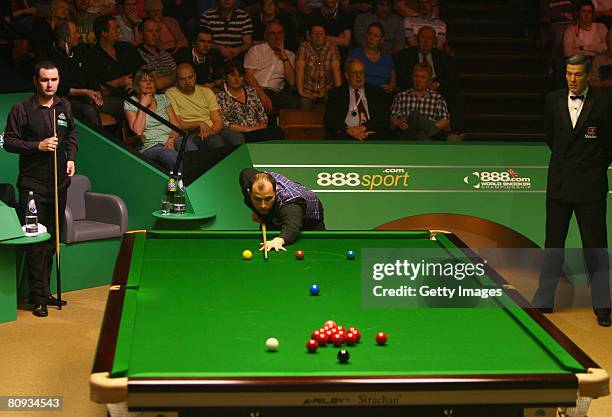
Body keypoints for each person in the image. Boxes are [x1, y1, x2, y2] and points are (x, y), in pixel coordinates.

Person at [532, 55, 612, 327]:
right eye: (568, 74)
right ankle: (544, 299)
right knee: (553, 245)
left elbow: (609, 147)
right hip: (559, 185)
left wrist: (590, 169)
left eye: (578, 74)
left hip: (591, 187)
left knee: (595, 248)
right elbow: (551, 138)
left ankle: (602, 305)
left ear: (588, 75)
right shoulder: (553, 100)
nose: (572, 79)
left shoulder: (604, 102)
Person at [3, 60, 78, 317]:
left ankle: (44, 291)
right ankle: (37, 298)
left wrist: (70, 157)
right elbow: (9, 142)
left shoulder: (64, 105)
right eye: (45, 80)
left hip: (59, 184)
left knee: (50, 242)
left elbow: (72, 135)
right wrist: (38, 146)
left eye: (54, 80)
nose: (50, 84)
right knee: (36, 241)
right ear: (36, 80)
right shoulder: (21, 108)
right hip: (32, 186)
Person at [124, 66, 196, 169]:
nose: (149, 83)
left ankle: (198, 180)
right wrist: (143, 105)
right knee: (170, 155)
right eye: (144, 81)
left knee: (188, 145)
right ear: (137, 84)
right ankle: (181, 183)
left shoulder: (162, 98)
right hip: (150, 146)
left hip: (170, 139)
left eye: (151, 80)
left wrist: (171, 140)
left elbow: (176, 125)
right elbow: (138, 131)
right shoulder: (130, 102)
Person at [394, 25, 463, 132]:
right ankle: (433, 130)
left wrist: (437, 84)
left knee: (456, 96)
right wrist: (421, 84)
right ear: (417, 39)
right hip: (413, 88)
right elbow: (402, 78)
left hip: (438, 89)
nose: (426, 41)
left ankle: (455, 132)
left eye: (429, 38)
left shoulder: (443, 57)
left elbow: (452, 78)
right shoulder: (405, 55)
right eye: (423, 38)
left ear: (434, 41)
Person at [239, 168, 325, 252]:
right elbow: (245, 172)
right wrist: (257, 211)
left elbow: (292, 227)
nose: (263, 205)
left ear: (276, 191)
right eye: (257, 199)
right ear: (249, 192)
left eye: (268, 198)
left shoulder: (290, 205)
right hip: (276, 212)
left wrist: (280, 239)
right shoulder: (248, 180)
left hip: (309, 221)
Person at [166, 62, 245, 148]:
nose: (187, 82)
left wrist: (211, 131)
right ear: (177, 79)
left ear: (195, 76)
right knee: (216, 142)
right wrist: (198, 124)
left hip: (212, 129)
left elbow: (218, 121)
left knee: (237, 137)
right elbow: (178, 123)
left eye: (190, 77)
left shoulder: (207, 92)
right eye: (182, 79)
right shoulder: (170, 94)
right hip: (193, 134)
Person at [85, 14, 145, 121]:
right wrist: (119, 82)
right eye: (115, 28)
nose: (119, 30)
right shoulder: (92, 56)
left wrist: (137, 83)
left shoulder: (125, 48)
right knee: (136, 106)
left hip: (138, 92)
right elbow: (94, 89)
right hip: (113, 99)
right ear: (104, 33)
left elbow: (145, 68)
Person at [45, 20, 104, 127]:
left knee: (120, 104)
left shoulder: (80, 51)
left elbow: (90, 75)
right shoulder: (49, 57)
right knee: (89, 110)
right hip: (65, 100)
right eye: (76, 33)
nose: (79, 36)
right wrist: (84, 92)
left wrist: (97, 91)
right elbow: (57, 87)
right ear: (66, 38)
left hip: (88, 96)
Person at [390, 62, 462, 141]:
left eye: (423, 77)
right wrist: (398, 123)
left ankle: (429, 132)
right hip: (407, 134)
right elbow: (393, 118)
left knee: (422, 135)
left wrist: (426, 128)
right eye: (416, 76)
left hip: (427, 137)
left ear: (429, 81)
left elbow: (445, 121)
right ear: (412, 77)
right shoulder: (401, 96)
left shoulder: (437, 98)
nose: (418, 80)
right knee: (414, 115)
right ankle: (443, 136)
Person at [216, 60, 285, 142]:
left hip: (257, 130)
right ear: (225, 77)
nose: (237, 79)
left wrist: (261, 125)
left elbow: (262, 116)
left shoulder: (251, 91)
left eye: (240, 76)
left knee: (277, 131)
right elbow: (224, 123)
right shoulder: (220, 97)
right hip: (239, 133)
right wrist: (248, 129)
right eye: (232, 75)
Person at [324, 58, 390, 140]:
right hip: (345, 135)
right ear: (347, 75)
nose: (358, 76)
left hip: (370, 134)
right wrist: (351, 132)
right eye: (355, 73)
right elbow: (331, 118)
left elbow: (383, 117)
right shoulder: (336, 93)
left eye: (361, 73)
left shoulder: (377, 92)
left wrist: (363, 128)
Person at [244, 21, 298, 113]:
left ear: (284, 35)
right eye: (272, 33)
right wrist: (261, 94)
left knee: (292, 102)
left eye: (279, 33)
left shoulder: (290, 55)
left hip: (274, 93)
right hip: (254, 90)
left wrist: (284, 56)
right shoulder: (256, 50)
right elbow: (248, 76)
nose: (276, 37)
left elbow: (292, 81)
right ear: (266, 36)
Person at [295, 22, 342, 109]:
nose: (318, 36)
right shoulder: (304, 46)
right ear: (309, 36)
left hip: (327, 92)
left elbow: (336, 71)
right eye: (314, 33)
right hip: (308, 91)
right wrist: (302, 92)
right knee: (304, 105)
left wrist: (337, 94)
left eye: (321, 33)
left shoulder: (332, 47)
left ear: (325, 36)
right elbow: (299, 70)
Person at [348, 22, 397, 93]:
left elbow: (393, 82)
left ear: (382, 40)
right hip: (359, 92)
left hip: (382, 94)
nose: (371, 38)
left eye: (376, 36)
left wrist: (389, 87)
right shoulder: (355, 54)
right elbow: (347, 75)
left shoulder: (388, 59)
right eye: (369, 34)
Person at [137, 18, 177, 91]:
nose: (154, 34)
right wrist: (173, 77)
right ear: (141, 34)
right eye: (150, 31)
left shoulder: (165, 54)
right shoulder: (139, 55)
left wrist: (163, 77)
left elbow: (179, 75)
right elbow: (158, 84)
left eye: (157, 31)